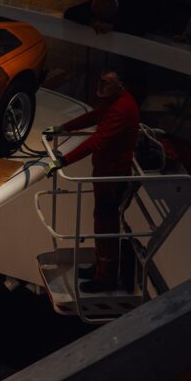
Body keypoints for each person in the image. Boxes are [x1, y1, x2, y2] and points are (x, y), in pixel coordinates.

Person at [47, 69, 141, 293]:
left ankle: (106, 279)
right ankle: (101, 268)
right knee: (102, 222)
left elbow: (96, 141)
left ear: (119, 86)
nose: (99, 85)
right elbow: (95, 117)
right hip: (107, 173)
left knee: (105, 226)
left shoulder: (121, 109)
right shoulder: (117, 102)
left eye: (105, 83)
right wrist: (64, 128)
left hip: (112, 176)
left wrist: (63, 161)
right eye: (99, 80)